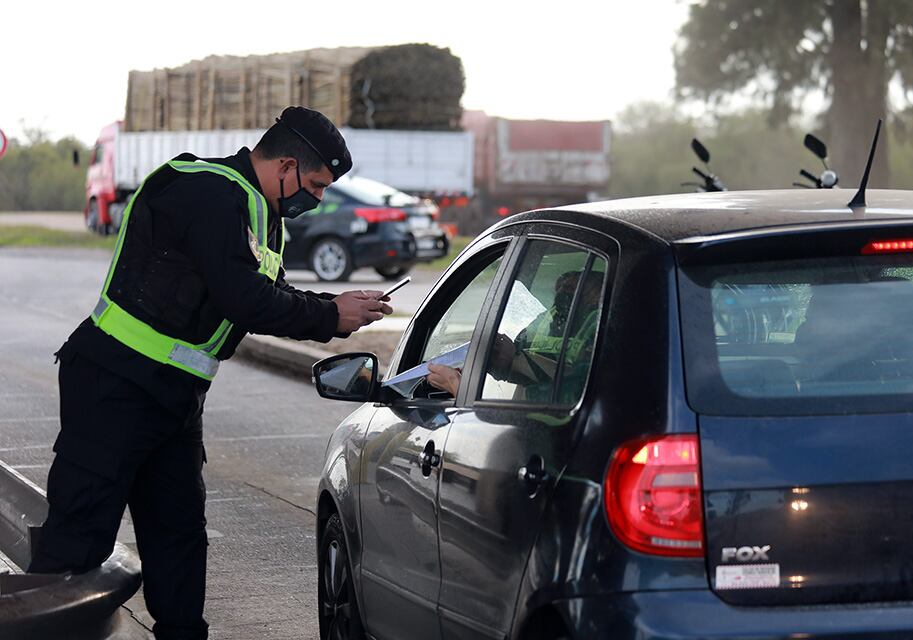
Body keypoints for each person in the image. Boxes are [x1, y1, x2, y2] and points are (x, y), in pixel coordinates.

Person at [28, 106, 392, 640]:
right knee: (76, 546)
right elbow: (241, 298)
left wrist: (333, 303)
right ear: (286, 164)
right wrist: (330, 316)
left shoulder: (264, 216)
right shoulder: (210, 191)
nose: (316, 199)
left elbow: (270, 293)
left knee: (178, 542)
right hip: (115, 384)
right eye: (314, 186)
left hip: (175, 400)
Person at [426, 270, 603, 399]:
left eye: (573, 289)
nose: (562, 293)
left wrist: (458, 387)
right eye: (560, 288)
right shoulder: (546, 319)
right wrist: (509, 363)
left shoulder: (600, 328)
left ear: (597, 296)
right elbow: (543, 368)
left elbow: (570, 390)